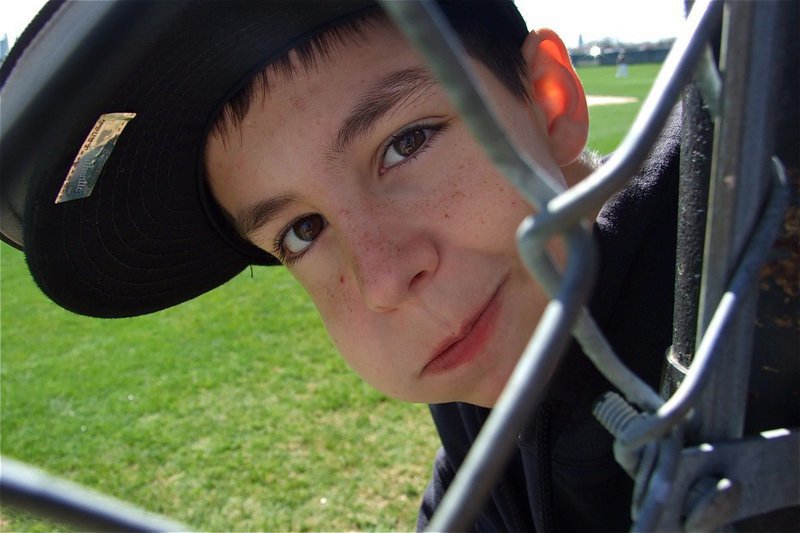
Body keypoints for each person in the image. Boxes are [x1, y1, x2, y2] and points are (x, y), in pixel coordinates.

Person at [2, 1, 794, 531]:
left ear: (550, 101)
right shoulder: (488, 369)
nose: (383, 281)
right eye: (303, 229)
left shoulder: (753, 226)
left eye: (405, 142)